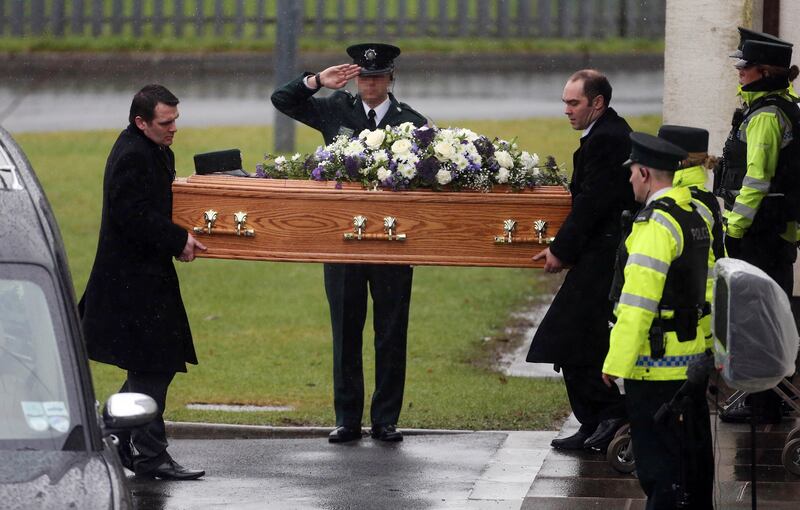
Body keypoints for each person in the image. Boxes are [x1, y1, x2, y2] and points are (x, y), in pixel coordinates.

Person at [271, 43, 428, 443]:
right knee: (345, 330)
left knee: (391, 332)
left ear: (391, 79)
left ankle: (386, 419)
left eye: (378, 77)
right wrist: (316, 81)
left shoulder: (411, 122)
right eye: (364, 77)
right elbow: (282, 100)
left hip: (393, 243)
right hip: (342, 240)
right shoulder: (336, 109)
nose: (370, 84)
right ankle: (347, 418)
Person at [79, 84, 207, 480]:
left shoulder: (153, 149)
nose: (173, 129)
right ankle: (142, 451)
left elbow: (155, 206)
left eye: (175, 121)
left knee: (151, 367)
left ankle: (116, 438)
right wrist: (177, 238)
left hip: (144, 280)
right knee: (153, 367)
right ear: (141, 121)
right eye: (165, 122)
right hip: (131, 284)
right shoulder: (133, 155)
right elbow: (131, 215)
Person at [603, 132, 713, 509]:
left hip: (655, 367)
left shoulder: (654, 225)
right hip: (691, 361)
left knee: (661, 470)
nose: (630, 179)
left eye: (633, 172)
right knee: (693, 465)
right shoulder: (695, 214)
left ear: (645, 173)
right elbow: (710, 287)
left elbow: (637, 304)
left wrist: (615, 362)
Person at [527, 69, 635, 451]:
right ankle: (596, 419)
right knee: (578, 341)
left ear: (597, 103)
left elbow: (593, 202)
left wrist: (560, 249)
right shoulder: (605, 133)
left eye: (574, 103)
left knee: (570, 337)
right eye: (565, 103)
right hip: (600, 251)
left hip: (604, 255)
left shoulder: (607, 139)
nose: (566, 111)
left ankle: (610, 414)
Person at [716, 36, 800, 424]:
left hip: (758, 236)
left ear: (764, 73)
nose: (738, 71)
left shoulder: (766, 116)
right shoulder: (779, 106)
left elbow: (756, 182)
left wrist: (733, 230)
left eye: (744, 66)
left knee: (756, 318)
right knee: (766, 315)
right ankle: (770, 399)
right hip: (773, 233)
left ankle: (765, 403)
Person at [658, 125, 725, 349]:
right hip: (704, 314)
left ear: (678, 161)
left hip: (693, 322)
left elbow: (700, 268)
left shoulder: (686, 201)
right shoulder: (703, 196)